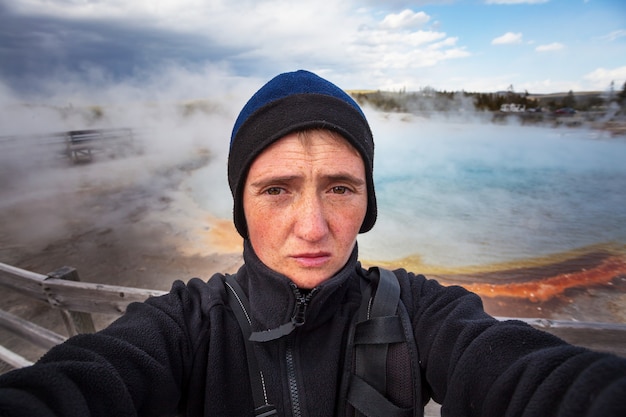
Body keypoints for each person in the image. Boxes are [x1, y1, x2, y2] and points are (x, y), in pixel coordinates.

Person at [1, 69, 625, 417]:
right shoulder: (186, 328)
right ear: (240, 209)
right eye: (276, 190)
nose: (313, 227)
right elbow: (84, 384)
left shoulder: (419, 313)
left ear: (368, 203)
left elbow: (523, 373)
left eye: (340, 188)